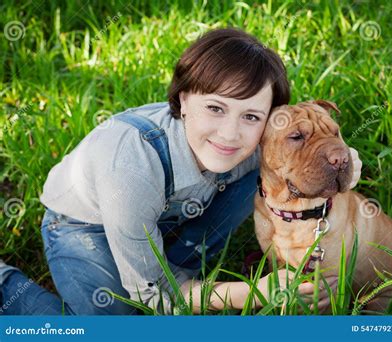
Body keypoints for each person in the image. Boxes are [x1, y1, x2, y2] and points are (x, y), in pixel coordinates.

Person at [0, 27, 362, 315]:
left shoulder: (261, 143)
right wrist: (251, 293)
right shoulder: (131, 171)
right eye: (216, 108)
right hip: (84, 222)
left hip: (176, 207)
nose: (230, 134)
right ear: (184, 98)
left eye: (250, 116)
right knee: (119, 321)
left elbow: (311, 155)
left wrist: (344, 165)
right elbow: (153, 297)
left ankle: (182, 272)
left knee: (255, 176)